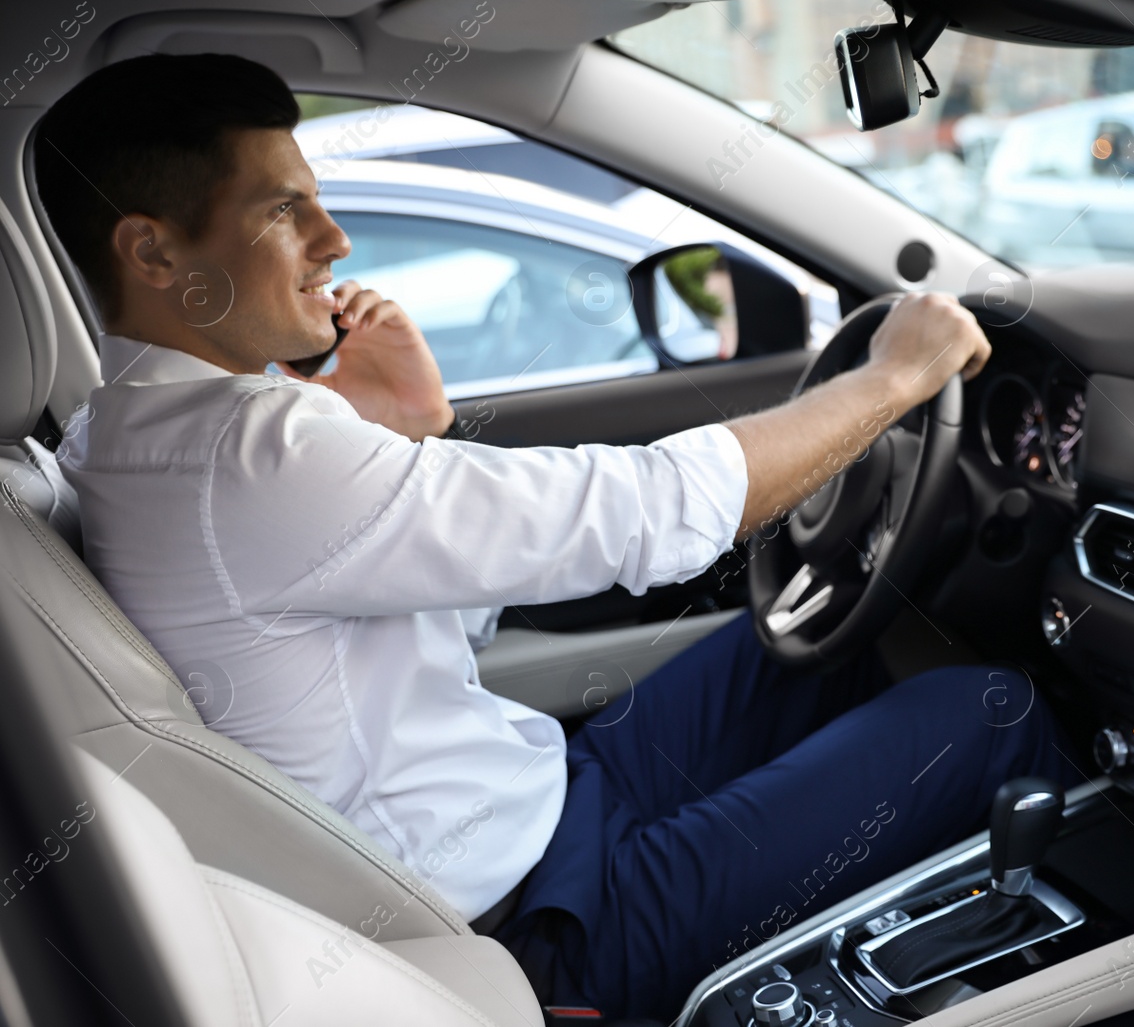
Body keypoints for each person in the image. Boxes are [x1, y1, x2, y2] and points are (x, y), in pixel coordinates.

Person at [35, 53, 1078, 1018]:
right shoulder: (249, 446)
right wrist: (893, 376)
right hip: (553, 923)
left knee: (820, 637)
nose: (334, 239)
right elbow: (646, 515)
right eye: (283, 209)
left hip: (545, 804)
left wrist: (407, 431)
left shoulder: (117, 432)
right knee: (988, 707)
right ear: (155, 250)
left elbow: (411, 617)